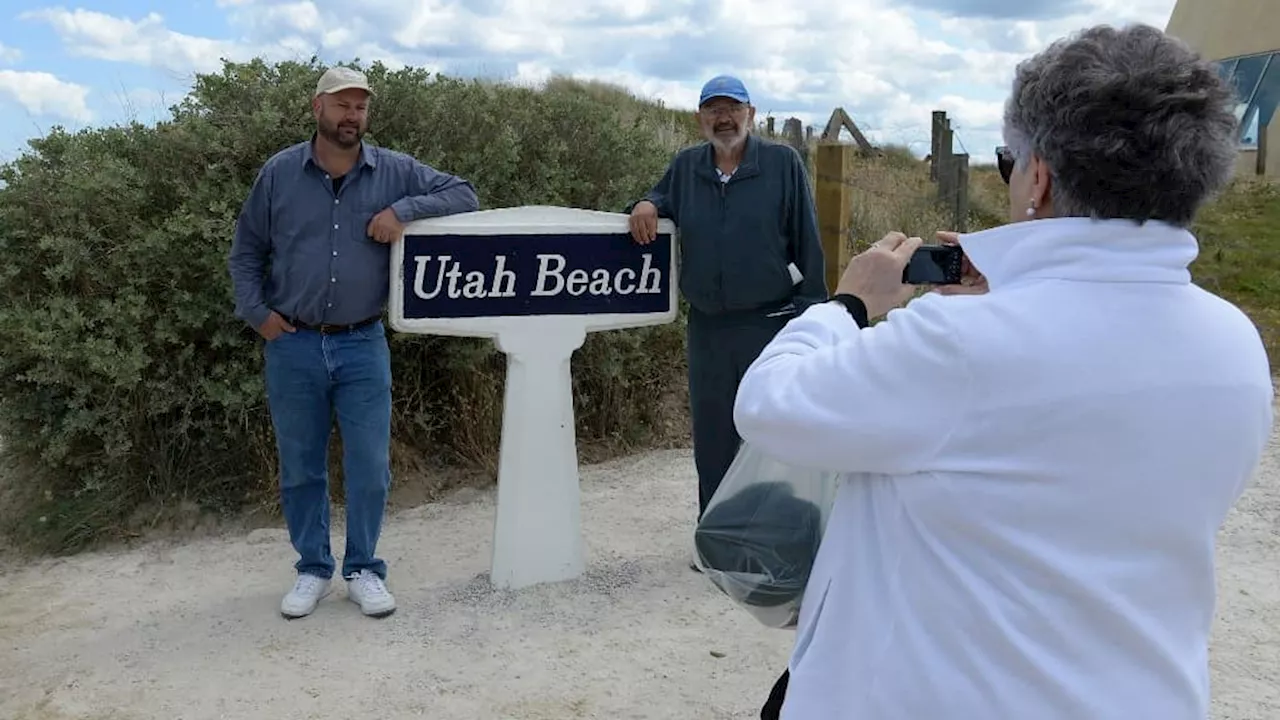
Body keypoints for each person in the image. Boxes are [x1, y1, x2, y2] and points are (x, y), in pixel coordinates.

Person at [733, 24, 1273, 719]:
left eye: (1007, 160)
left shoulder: (963, 345)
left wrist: (848, 303)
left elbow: (770, 403)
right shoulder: (1234, 344)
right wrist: (1014, 298)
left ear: (1039, 178)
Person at [228, 66, 479, 620]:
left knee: (369, 464)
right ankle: (312, 569)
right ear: (317, 107)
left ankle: (364, 567)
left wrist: (402, 212)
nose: (352, 116)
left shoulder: (393, 171)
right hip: (291, 343)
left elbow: (464, 194)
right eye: (342, 105)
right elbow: (246, 251)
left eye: (361, 106)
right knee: (301, 465)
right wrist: (258, 315)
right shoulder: (278, 174)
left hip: (362, 342)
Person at [626, 75, 827, 552]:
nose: (723, 118)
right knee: (713, 436)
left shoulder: (782, 163)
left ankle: (779, 534)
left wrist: (814, 316)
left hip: (771, 321)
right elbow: (660, 197)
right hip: (708, 326)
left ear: (751, 114)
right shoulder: (687, 165)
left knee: (773, 430)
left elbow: (808, 240)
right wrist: (646, 203)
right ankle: (716, 538)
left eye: (732, 108)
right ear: (700, 119)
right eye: (713, 109)